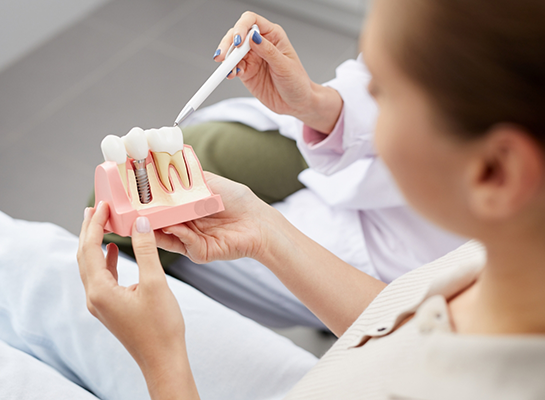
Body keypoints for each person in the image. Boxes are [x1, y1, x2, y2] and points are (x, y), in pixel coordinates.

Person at [77, 0, 545, 398]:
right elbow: (397, 319)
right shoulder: (495, 267)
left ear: (494, 172)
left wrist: (163, 361)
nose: (367, 104)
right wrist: (265, 232)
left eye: (381, 92)